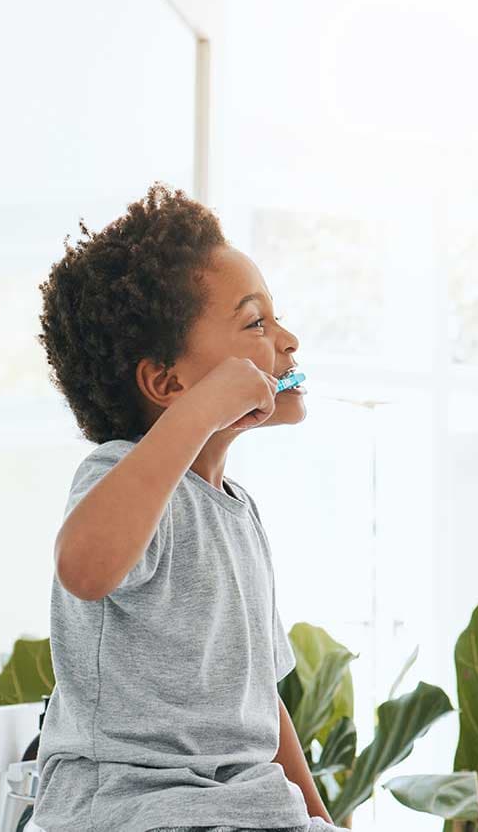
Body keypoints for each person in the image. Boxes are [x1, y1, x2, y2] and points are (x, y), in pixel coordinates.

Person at [33, 185, 345, 832]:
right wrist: (201, 410)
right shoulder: (121, 476)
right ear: (168, 383)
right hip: (137, 814)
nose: (286, 340)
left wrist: (326, 822)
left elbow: (262, 703)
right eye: (255, 323)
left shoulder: (237, 511)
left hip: (248, 811)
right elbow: (85, 566)